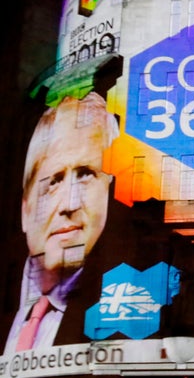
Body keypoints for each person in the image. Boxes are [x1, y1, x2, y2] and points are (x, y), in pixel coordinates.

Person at [3, 92, 119, 353]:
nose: (70, 204)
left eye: (86, 175)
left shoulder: (123, 309)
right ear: (25, 209)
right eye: (54, 181)